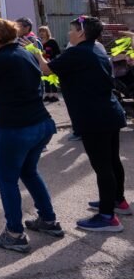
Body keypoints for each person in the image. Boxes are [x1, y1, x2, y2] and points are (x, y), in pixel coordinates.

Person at [0, 18, 62, 253]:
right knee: (29, 172)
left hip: (14, 129)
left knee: (7, 179)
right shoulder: (24, 53)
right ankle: (49, 220)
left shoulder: (0, 59)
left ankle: (15, 234)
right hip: (41, 123)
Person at [36, 16, 130, 232]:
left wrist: (36, 52)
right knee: (112, 161)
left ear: (81, 32)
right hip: (110, 112)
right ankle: (118, 200)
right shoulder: (97, 48)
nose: (69, 33)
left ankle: (107, 217)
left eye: (72, 29)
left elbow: (47, 69)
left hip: (94, 117)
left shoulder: (78, 52)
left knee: (102, 166)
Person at [37, 26, 61, 103]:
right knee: (45, 78)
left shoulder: (52, 41)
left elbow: (57, 52)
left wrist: (52, 58)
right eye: (40, 31)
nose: (41, 33)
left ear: (47, 32)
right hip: (43, 62)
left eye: (43, 31)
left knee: (52, 78)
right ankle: (47, 94)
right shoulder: (38, 42)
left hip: (52, 61)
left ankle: (54, 95)